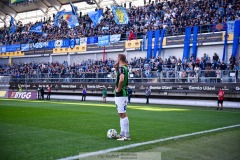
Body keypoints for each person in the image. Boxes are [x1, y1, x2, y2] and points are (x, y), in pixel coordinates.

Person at [114, 53, 130, 141]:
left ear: (120, 58)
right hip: (122, 93)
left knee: (122, 114)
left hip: (121, 93)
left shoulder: (122, 68)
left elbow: (122, 79)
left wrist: (118, 89)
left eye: (117, 57)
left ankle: (126, 135)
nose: (116, 59)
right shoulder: (124, 67)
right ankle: (122, 134)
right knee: (121, 114)